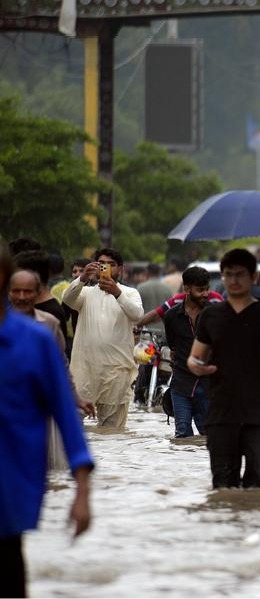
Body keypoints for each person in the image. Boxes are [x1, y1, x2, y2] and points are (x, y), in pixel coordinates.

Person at [0, 244, 94, 598]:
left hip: (11, 484)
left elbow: (66, 418)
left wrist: (82, 491)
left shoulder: (37, 339)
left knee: (9, 572)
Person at [188, 249, 260, 490]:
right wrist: (198, 367)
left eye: (240, 275)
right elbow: (195, 358)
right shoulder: (211, 314)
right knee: (223, 488)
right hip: (221, 413)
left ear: (253, 277)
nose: (234, 281)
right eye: (228, 275)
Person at [63, 248, 144, 428]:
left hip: (116, 371)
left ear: (120, 269)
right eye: (102, 264)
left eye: (111, 265)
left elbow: (137, 315)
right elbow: (67, 299)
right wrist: (82, 278)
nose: (106, 268)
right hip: (85, 370)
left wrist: (117, 293)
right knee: (72, 424)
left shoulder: (129, 293)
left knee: (112, 432)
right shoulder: (86, 293)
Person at [162, 266, 213, 438]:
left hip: (207, 385)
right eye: (200, 290)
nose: (205, 294)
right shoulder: (171, 316)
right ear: (187, 289)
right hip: (181, 383)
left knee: (209, 436)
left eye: (207, 289)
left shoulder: (214, 314)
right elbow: (173, 346)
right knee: (182, 434)